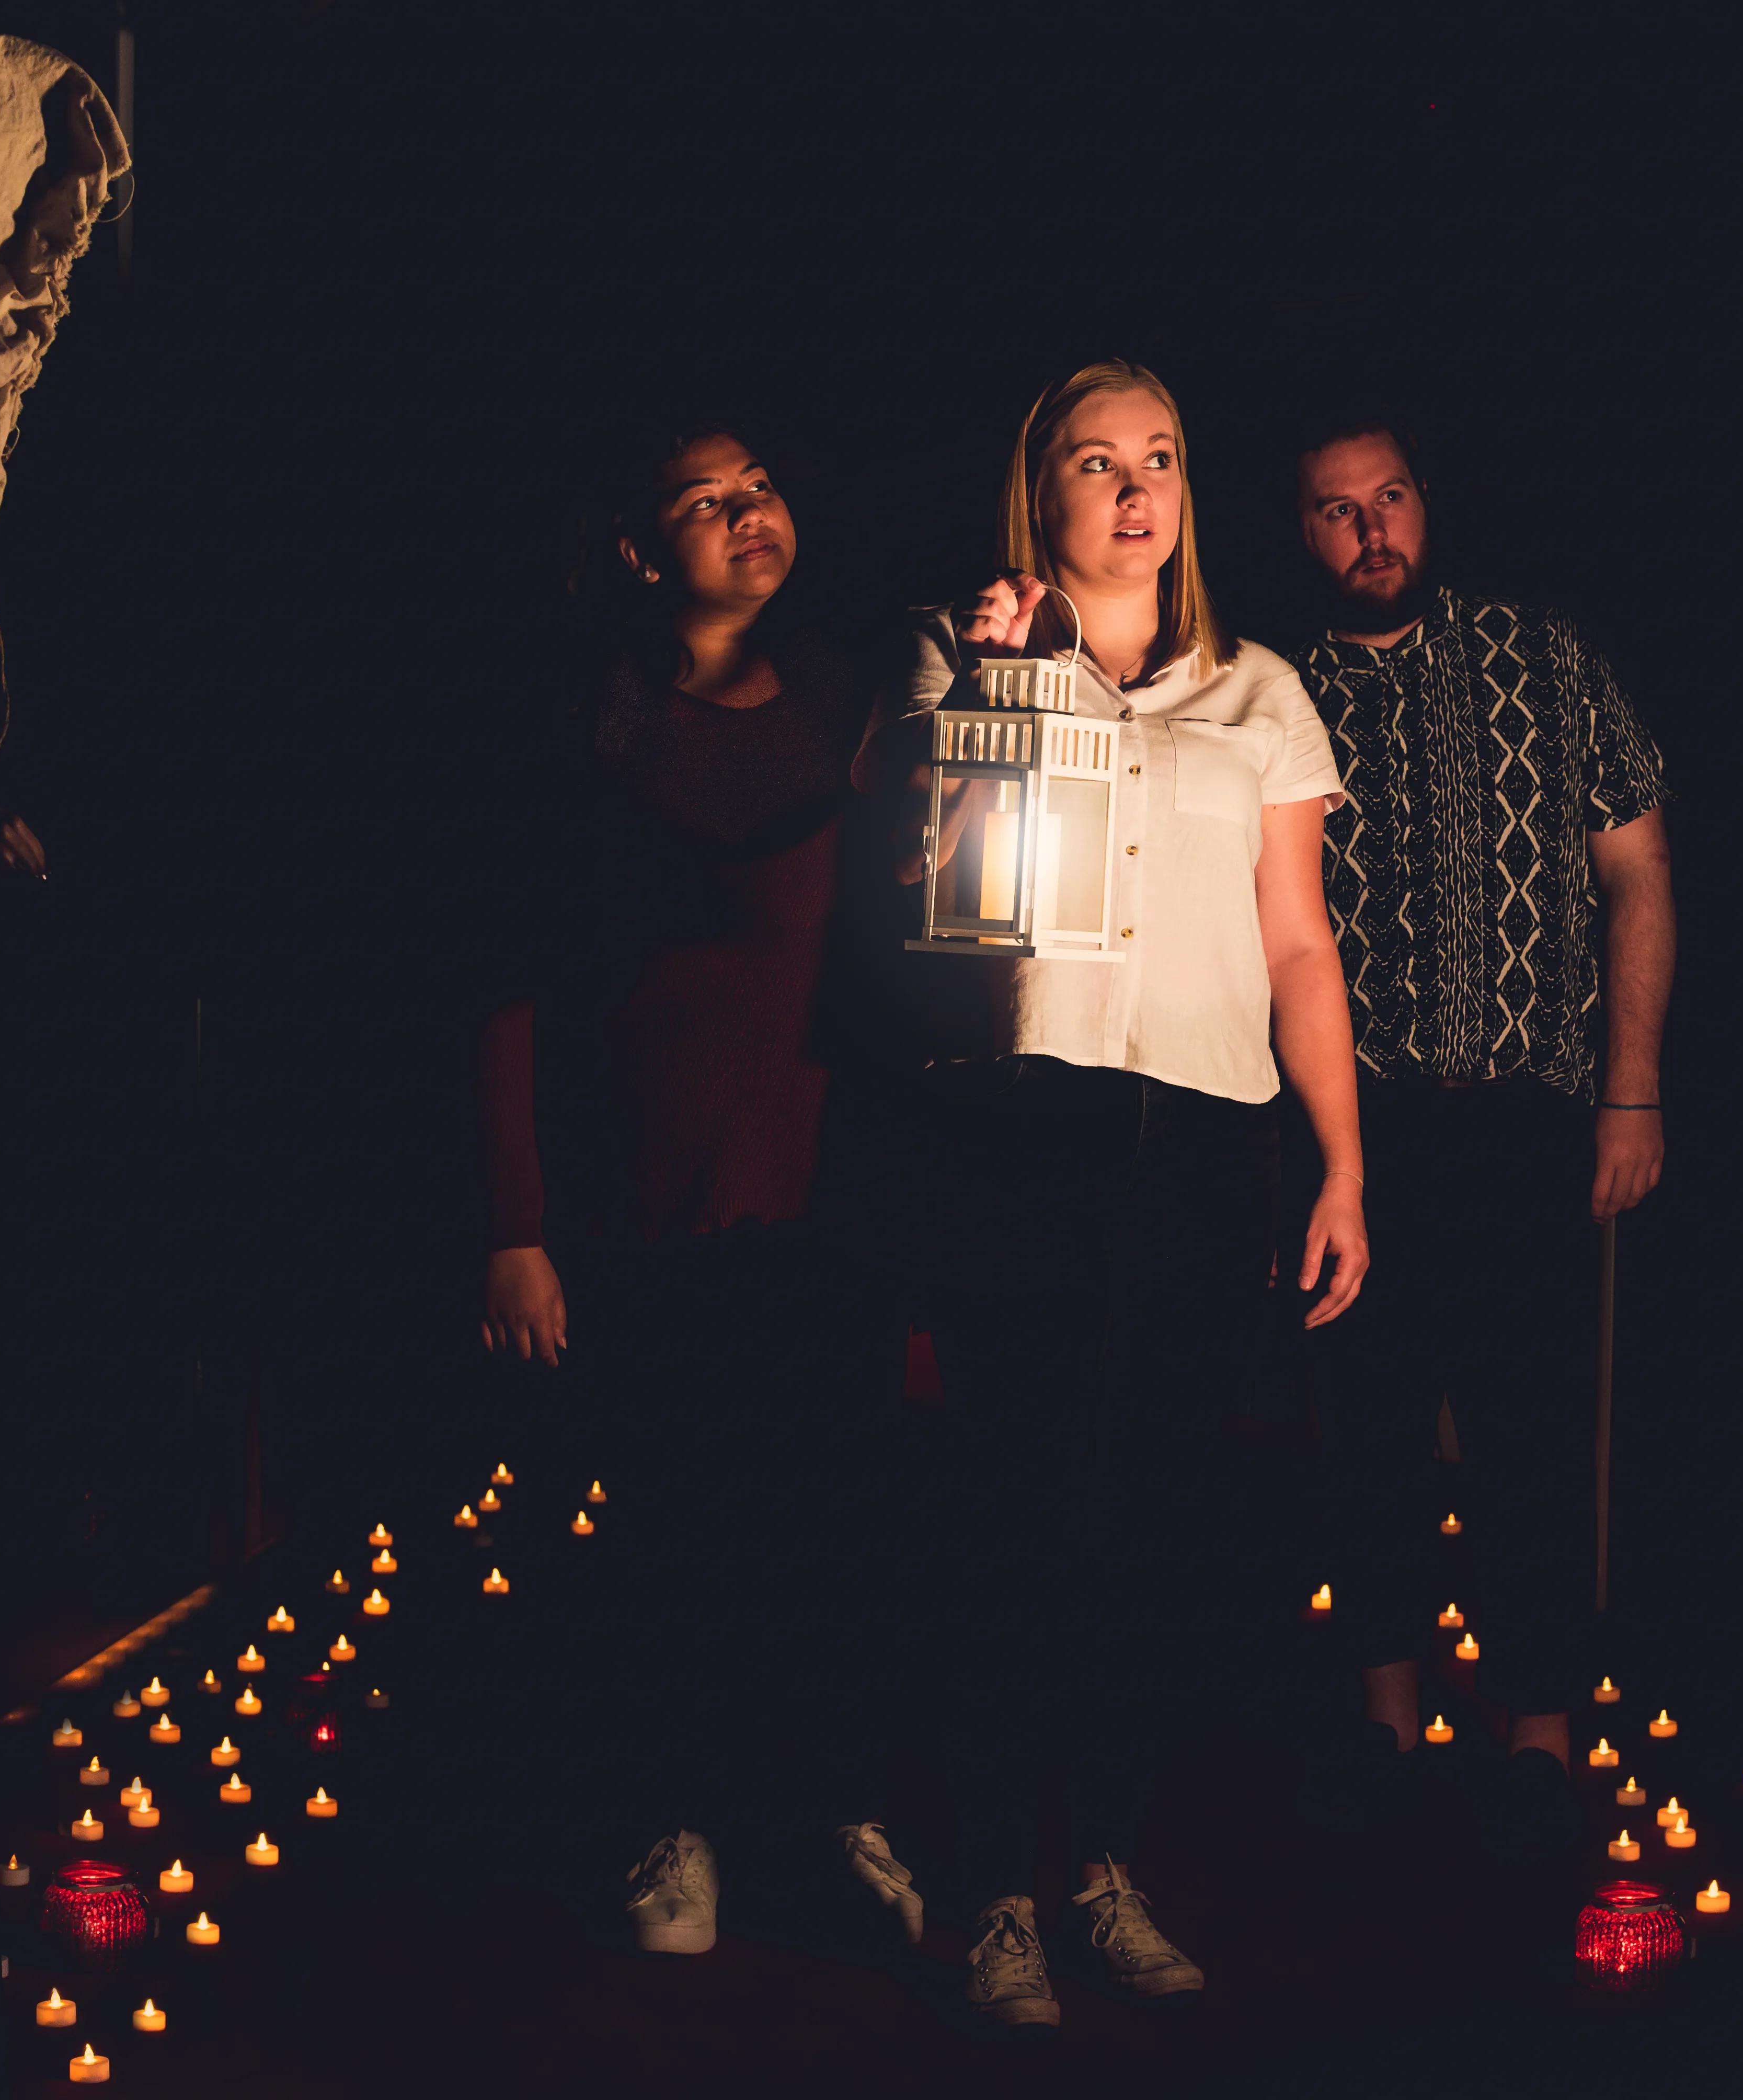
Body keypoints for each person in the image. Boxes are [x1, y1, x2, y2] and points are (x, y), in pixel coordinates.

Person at [862, 359, 1369, 2027]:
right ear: (1044, 492)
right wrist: (1003, 691)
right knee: (1016, 1504)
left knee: (1156, 1519)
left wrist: (1341, 1165)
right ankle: (996, 1891)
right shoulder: (966, 649)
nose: (1137, 488)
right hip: (1028, 1121)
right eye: (1099, 461)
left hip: (1211, 1132)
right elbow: (932, 908)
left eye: (1160, 458)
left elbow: (1298, 944)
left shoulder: (1260, 694)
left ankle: (1106, 1873)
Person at [473, 420, 917, 1959]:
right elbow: (506, 980)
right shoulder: (579, 719)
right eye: (706, 504)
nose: (750, 516)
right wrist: (516, 1225)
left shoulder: (856, 698)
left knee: (833, 1517)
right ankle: (679, 1830)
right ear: (637, 550)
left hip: (826, 1180)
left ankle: (839, 1810)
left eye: (764, 488)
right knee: (668, 1520)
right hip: (638, 1186)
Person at [1283, 413, 1673, 1864]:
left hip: (1527, 1115)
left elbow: (1638, 872)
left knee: (1532, 1430)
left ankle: (1536, 1737)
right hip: (1351, 1128)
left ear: (1425, 506)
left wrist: (1631, 1089)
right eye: (1335, 511)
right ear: (1299, 531)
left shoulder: (1544, 656)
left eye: (1389, 499)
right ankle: (1384, 1720)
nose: (1370, 530)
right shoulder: (1275, 692)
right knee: (1367, 1425)